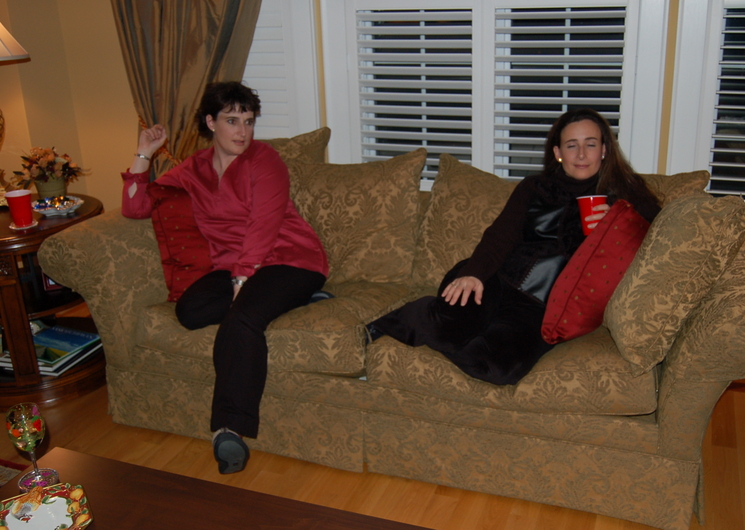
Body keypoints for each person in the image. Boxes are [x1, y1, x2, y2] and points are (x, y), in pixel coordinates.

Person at [120, 81, 329, 474]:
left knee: (241, 319)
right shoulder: (194, 169)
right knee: (189, 311)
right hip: (232, 267)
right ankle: (291, 302)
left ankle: (229, 428)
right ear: (210, 122)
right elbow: (136, 207)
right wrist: (144, 152)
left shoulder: (265, 161)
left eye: (248, 121)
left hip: (290, 259)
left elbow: (264, 225)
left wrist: (242, 281)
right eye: (232, 121)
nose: (242, 131)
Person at [367, 108, 661, 386]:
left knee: (495, 368)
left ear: (604, 149)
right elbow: (500, 236)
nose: (581, 154)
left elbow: (657, 240)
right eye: (571, 145)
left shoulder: (626, 196)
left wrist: (617, 223)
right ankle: (399, 320)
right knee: (448, 328)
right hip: (495, 280)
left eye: (590, 144)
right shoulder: (534, 188)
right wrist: (474, 273)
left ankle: (470, 331)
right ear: (558, 153)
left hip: (539, 308)